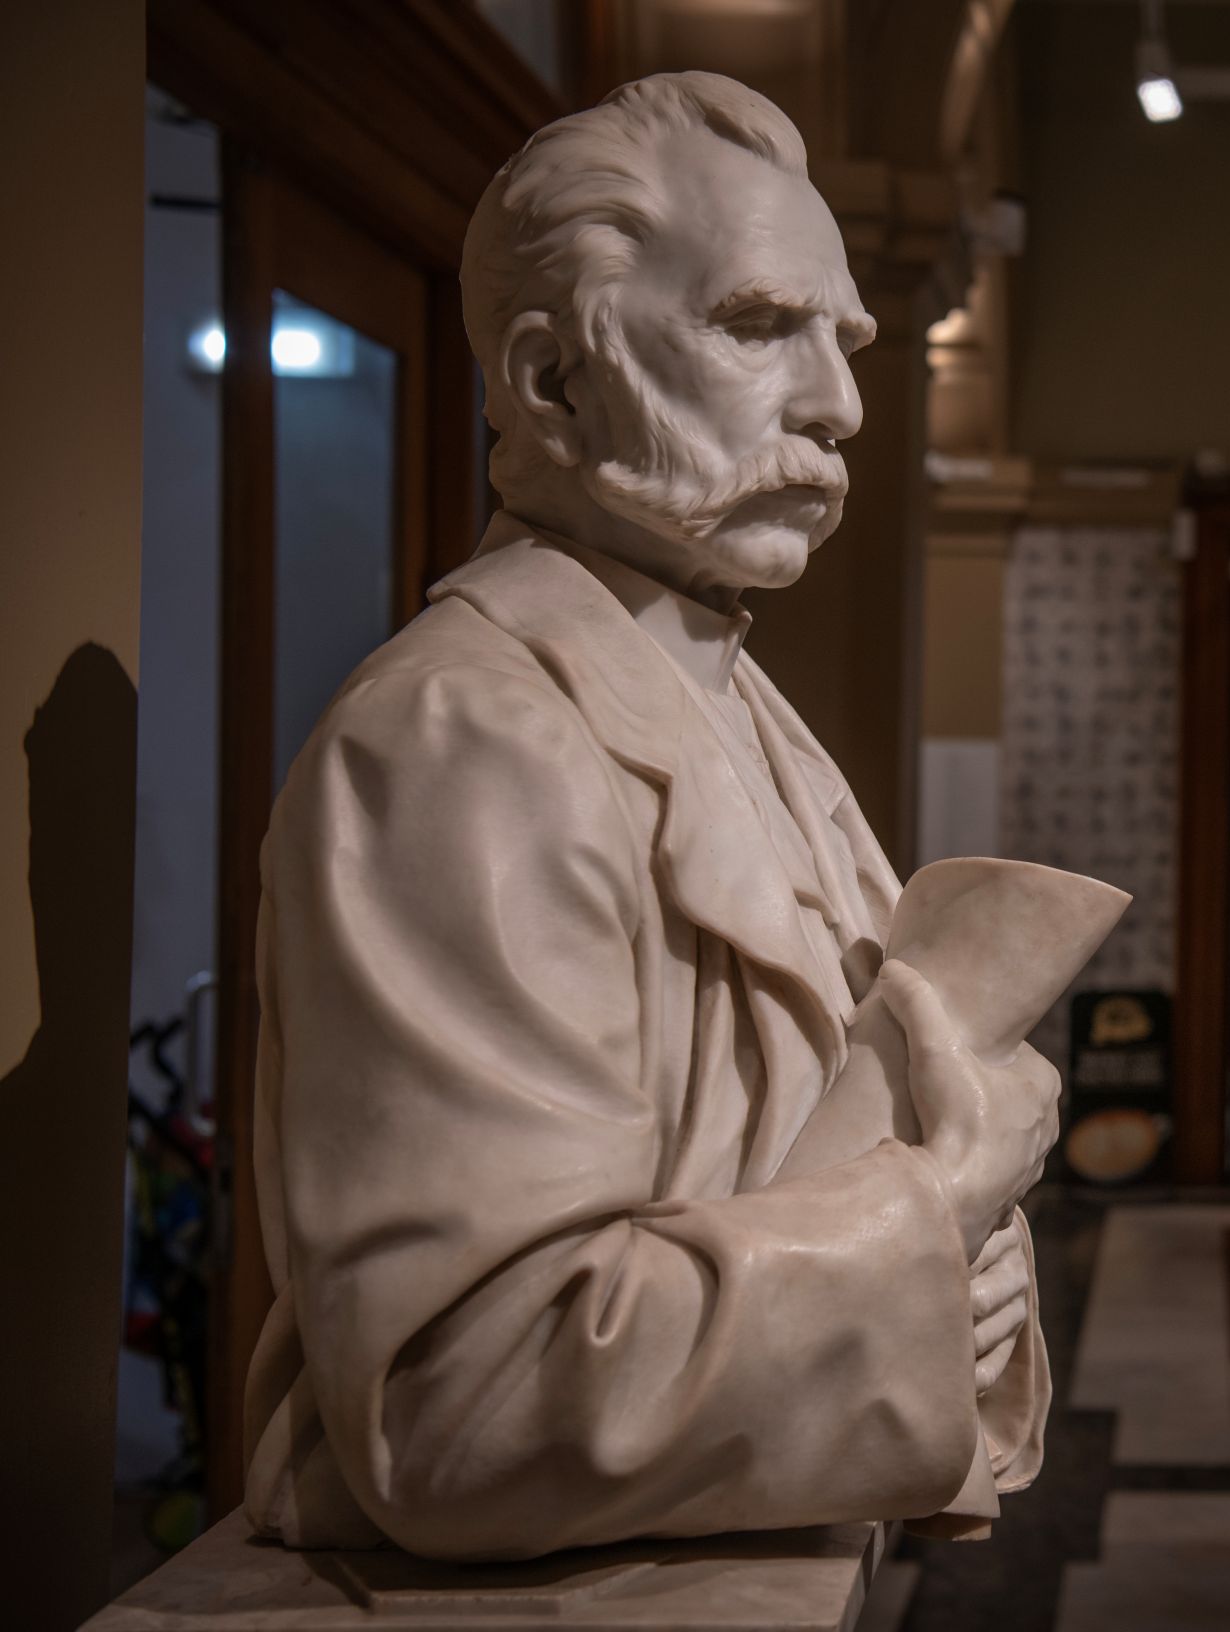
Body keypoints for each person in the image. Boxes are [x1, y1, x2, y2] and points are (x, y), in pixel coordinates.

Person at [241, 73, 1056, 1561]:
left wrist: (948, 1277)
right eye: (757, 327)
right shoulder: (466, 741)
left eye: (844, 341)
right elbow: (460, 1404)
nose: (840, 405)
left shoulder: (736, 703)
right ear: (552, 381)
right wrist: (930, 1223)